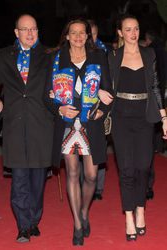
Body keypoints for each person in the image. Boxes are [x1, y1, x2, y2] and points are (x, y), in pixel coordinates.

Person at [44, 18, 112, 246]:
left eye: (82, 33)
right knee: (72, 173)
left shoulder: (99, 57)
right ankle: (77, 224)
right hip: (67, 124)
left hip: (91, 123)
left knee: (91, 175)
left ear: (87, 36)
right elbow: (47, 96)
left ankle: (83, 211)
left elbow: (108, 92)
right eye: (73, 33)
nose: (78, 36)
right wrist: (59, 107)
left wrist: (102, 110)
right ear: (67, 35)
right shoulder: (56, 59)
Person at [0, 14, 53, 243]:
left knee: (37, 181)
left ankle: (34, 219)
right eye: (25, 29)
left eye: (34, 29)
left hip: (41, 125)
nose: (30, 33)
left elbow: (59, 84)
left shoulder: (49, 56)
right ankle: (23, 225)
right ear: (16, 33)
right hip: (14, 125)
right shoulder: (4, 55)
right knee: (19, 180)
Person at [108, 14, 167, 241]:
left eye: (136, 29)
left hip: (144, 116)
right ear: (120, 33)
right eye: (128, 29)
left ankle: (141, 208)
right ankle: (130, 216)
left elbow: (155, 86)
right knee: (126, 169)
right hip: (121, 117)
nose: (133, 33)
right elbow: (105, 84)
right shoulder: (112, 56)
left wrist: (163, 117)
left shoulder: (149, 53)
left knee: (143, 166)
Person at [145, 30, 167, 200]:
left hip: (152, 104)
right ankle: (145, 186)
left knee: (148, 151)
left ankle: (147, 185)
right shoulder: (161, 50)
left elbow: (155, 84)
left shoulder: (150, 53)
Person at [88, 19, 108, 201]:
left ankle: (98, 188)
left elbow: (109, 82)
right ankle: (84, 185)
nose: (90, 38)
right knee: (81, 151)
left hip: (100, 109)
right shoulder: (74, 53)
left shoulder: (103, 53)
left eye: (93, 34)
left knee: (98, 149)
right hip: (81, 110)